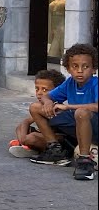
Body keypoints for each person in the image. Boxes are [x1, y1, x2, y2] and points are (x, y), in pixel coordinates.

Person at [29, 43, 98, 180]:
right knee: (35, 107)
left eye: (85, 67)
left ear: (94, 69)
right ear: (68, 68)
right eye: (75, 66)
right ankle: (55, 150)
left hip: (94, 125)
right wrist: (48, 102)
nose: (79, 71)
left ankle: (85, 162)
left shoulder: (96, 83)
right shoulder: (69, 83)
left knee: (81, 112)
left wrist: (68, 107)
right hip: (75, 124)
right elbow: (46, 96)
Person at [9, 69, 66, 158]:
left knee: (32, 138)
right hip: (43, 137)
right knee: (21, 128)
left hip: (59, 141)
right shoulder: (39, 107)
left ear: (57, 91)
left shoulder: (58, 108)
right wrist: (24, 138)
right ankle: (27, 145)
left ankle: (28, 146)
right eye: (37, 89)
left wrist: (24, 139)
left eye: (45, 90)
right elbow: (26, 122)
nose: (39, 93)